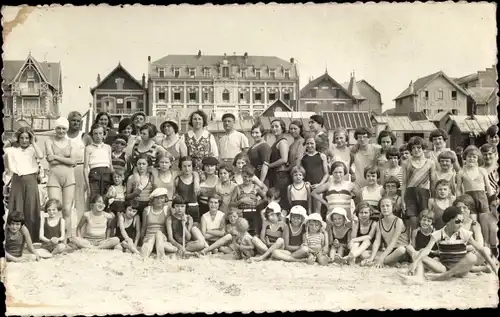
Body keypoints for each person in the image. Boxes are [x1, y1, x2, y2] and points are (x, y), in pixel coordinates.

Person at [399, 206, 498, 285]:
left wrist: (493, 265)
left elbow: (480, 249)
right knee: (419, 253)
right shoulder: (438, 234)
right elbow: (427, 250)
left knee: (471, 257)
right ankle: (419, 277)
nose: (460, 224)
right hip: (444, 267)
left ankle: (445, 276)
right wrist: (415, 263)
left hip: (462, 269)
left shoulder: (464, 233)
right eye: (457, 221)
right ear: (449, 221)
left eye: (462, 222)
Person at [4, 127, 44, 241]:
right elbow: (3, 148)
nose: (24, 140)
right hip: (17, 180)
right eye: (22, 138)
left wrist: (33, 142)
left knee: (31, 208)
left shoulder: (32, 150)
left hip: (31, 180)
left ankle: (32, 237)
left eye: (27, 138)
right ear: (18, 138)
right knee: (17, 208)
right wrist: (11, 140)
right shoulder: (13, 150)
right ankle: (16, 237)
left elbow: (41, 156)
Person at [44, 117, 77, 240]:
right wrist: (65, 160)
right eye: (58, 128)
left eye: (64, 128)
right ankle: (55, 236)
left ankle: (67, 237)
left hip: (69, 178)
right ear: (55, 128)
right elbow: (49, 160)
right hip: (54, 177)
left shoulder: (71, 143)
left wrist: (56, 157)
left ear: (67, 129)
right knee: (54, 208)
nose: (61, 131)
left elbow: (73, 161)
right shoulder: (49, 141)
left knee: (67, 209)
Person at [401, 136, 435, 234]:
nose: (416, 150)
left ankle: (424, 240)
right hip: (410, 194)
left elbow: (432, 182)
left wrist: (432, 198)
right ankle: (413, 242)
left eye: (419, 148)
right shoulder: (406, 162)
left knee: (425, 218)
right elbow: (404, 183)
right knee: (413, 219)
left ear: (423, 149)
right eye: (413, 148)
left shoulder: (430, 163)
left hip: (424, 193)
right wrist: (403, 199)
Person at [363, 197, 409, 268]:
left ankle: (379, 261)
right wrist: (372, 257)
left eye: (387, 206)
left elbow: (393, 242)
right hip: (389, 251)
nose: (385, 208)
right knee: (364, 253)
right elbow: (377, 241)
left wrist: (381, 258)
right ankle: (388, 261)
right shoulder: (379, 223)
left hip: (400, 251)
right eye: (382, 206)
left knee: (401, 250)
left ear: (393, 207)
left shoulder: (398, 221)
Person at [456, 146, 494, 221]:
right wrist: (459, 201)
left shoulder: (482, 171)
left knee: (485, 222)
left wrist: (493, 199)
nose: (471, 159)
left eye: (474, 157)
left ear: (478, 158)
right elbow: (458, 189)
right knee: (473, 222)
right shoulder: (461, 172)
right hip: (469, 200)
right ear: (465, 157)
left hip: (482, 200)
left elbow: (488, 187)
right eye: (469, 156)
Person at [140, 188, 177, 259]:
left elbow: (170, 226)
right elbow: (143, 227)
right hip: (148, 238)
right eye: (156, 198)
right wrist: (141, 242)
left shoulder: (167, 210)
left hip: (162, 238)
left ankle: (149, 250)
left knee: (158, 234)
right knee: (154, 239)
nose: (159, 200)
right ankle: (160, 254)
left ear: (165, 199)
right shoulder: (147, 210)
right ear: (152, 200)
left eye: (162, 198)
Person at [230, 165, 266, 236]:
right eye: (245, 176)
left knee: (255, 235)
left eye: (249, 177)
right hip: (242, 214)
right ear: (241, 175)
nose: (247, 179)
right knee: (242, 235)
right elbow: (231, 203)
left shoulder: (255, 187)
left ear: (253, 177)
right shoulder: (238, 188)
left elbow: (265, 199)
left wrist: (257, 202)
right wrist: (240, 201)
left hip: (254, 214)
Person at [67, 111, 89, 219]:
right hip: (65, 169)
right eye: (73, 120)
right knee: (66, 199)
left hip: (80, 168)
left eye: (78, 121)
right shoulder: (62, 134)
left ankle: (81, 228)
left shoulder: (84, 136)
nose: (76, 123)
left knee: (80, 199)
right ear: (68, 121)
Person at [84, 123, 114, 200]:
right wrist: (87, 187)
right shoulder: (89, 148)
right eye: (95, 133)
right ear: (92, 135)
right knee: (94, 199)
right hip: (94, 175)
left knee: (106, 199)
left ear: (104, 134)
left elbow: (110, 165)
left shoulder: (108, 147)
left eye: (100, 133)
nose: (98, 136)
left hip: (107, 175)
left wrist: (113, 180)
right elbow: (85, 169)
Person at [267, 119, 291, 211]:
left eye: (277, 126)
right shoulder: (276, 142)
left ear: (282, 128)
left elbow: (284, 159)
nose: (274, 128)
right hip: (275, 175)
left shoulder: (282, 142)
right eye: (272, 126)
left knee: (281, 200)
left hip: (281, 176)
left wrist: (269, 165)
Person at [173, 156, 201, 224]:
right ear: (181, 167)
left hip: (194, 209)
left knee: (195, 230)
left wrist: (196, 180)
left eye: (189, 166)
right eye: (184, 166)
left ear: (192, 166)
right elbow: (174, 195)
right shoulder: (177, 180)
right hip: (181, 210)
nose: (187, 169)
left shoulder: (196, 178)